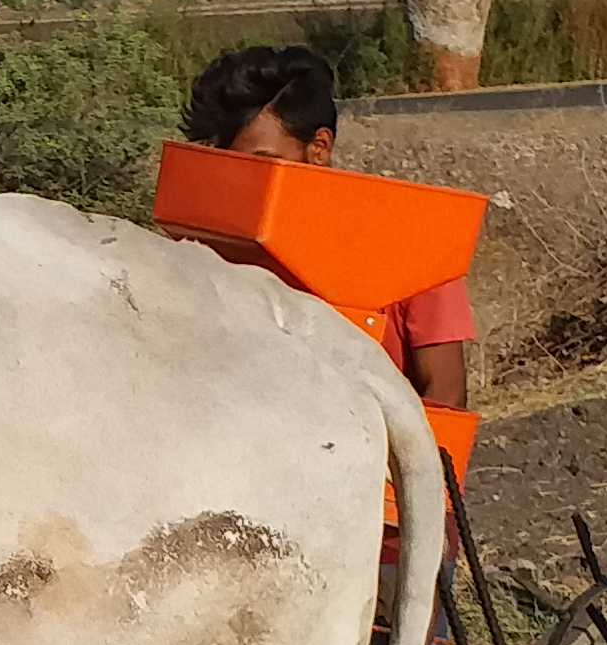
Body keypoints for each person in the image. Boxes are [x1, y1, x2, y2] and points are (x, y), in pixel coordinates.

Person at [179, 42, 471, 411]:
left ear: (319, 146)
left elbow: (445, 397)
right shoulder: (211, 246)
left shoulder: (414, 240)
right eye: (232, 168)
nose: (247, 185)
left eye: (264, 164)